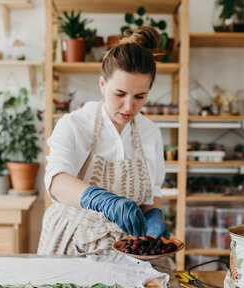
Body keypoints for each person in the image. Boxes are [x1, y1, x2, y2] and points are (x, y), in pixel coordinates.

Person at [38, 26, 169, 255]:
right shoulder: (74, 125)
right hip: (73, 240)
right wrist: (102, 200)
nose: (129, 106)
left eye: (140, 96)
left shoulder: (150, 133)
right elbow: (56, 182)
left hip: (128, 246)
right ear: (102, 85)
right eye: (120, 94)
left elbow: (152, 194)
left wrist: (154, 216)